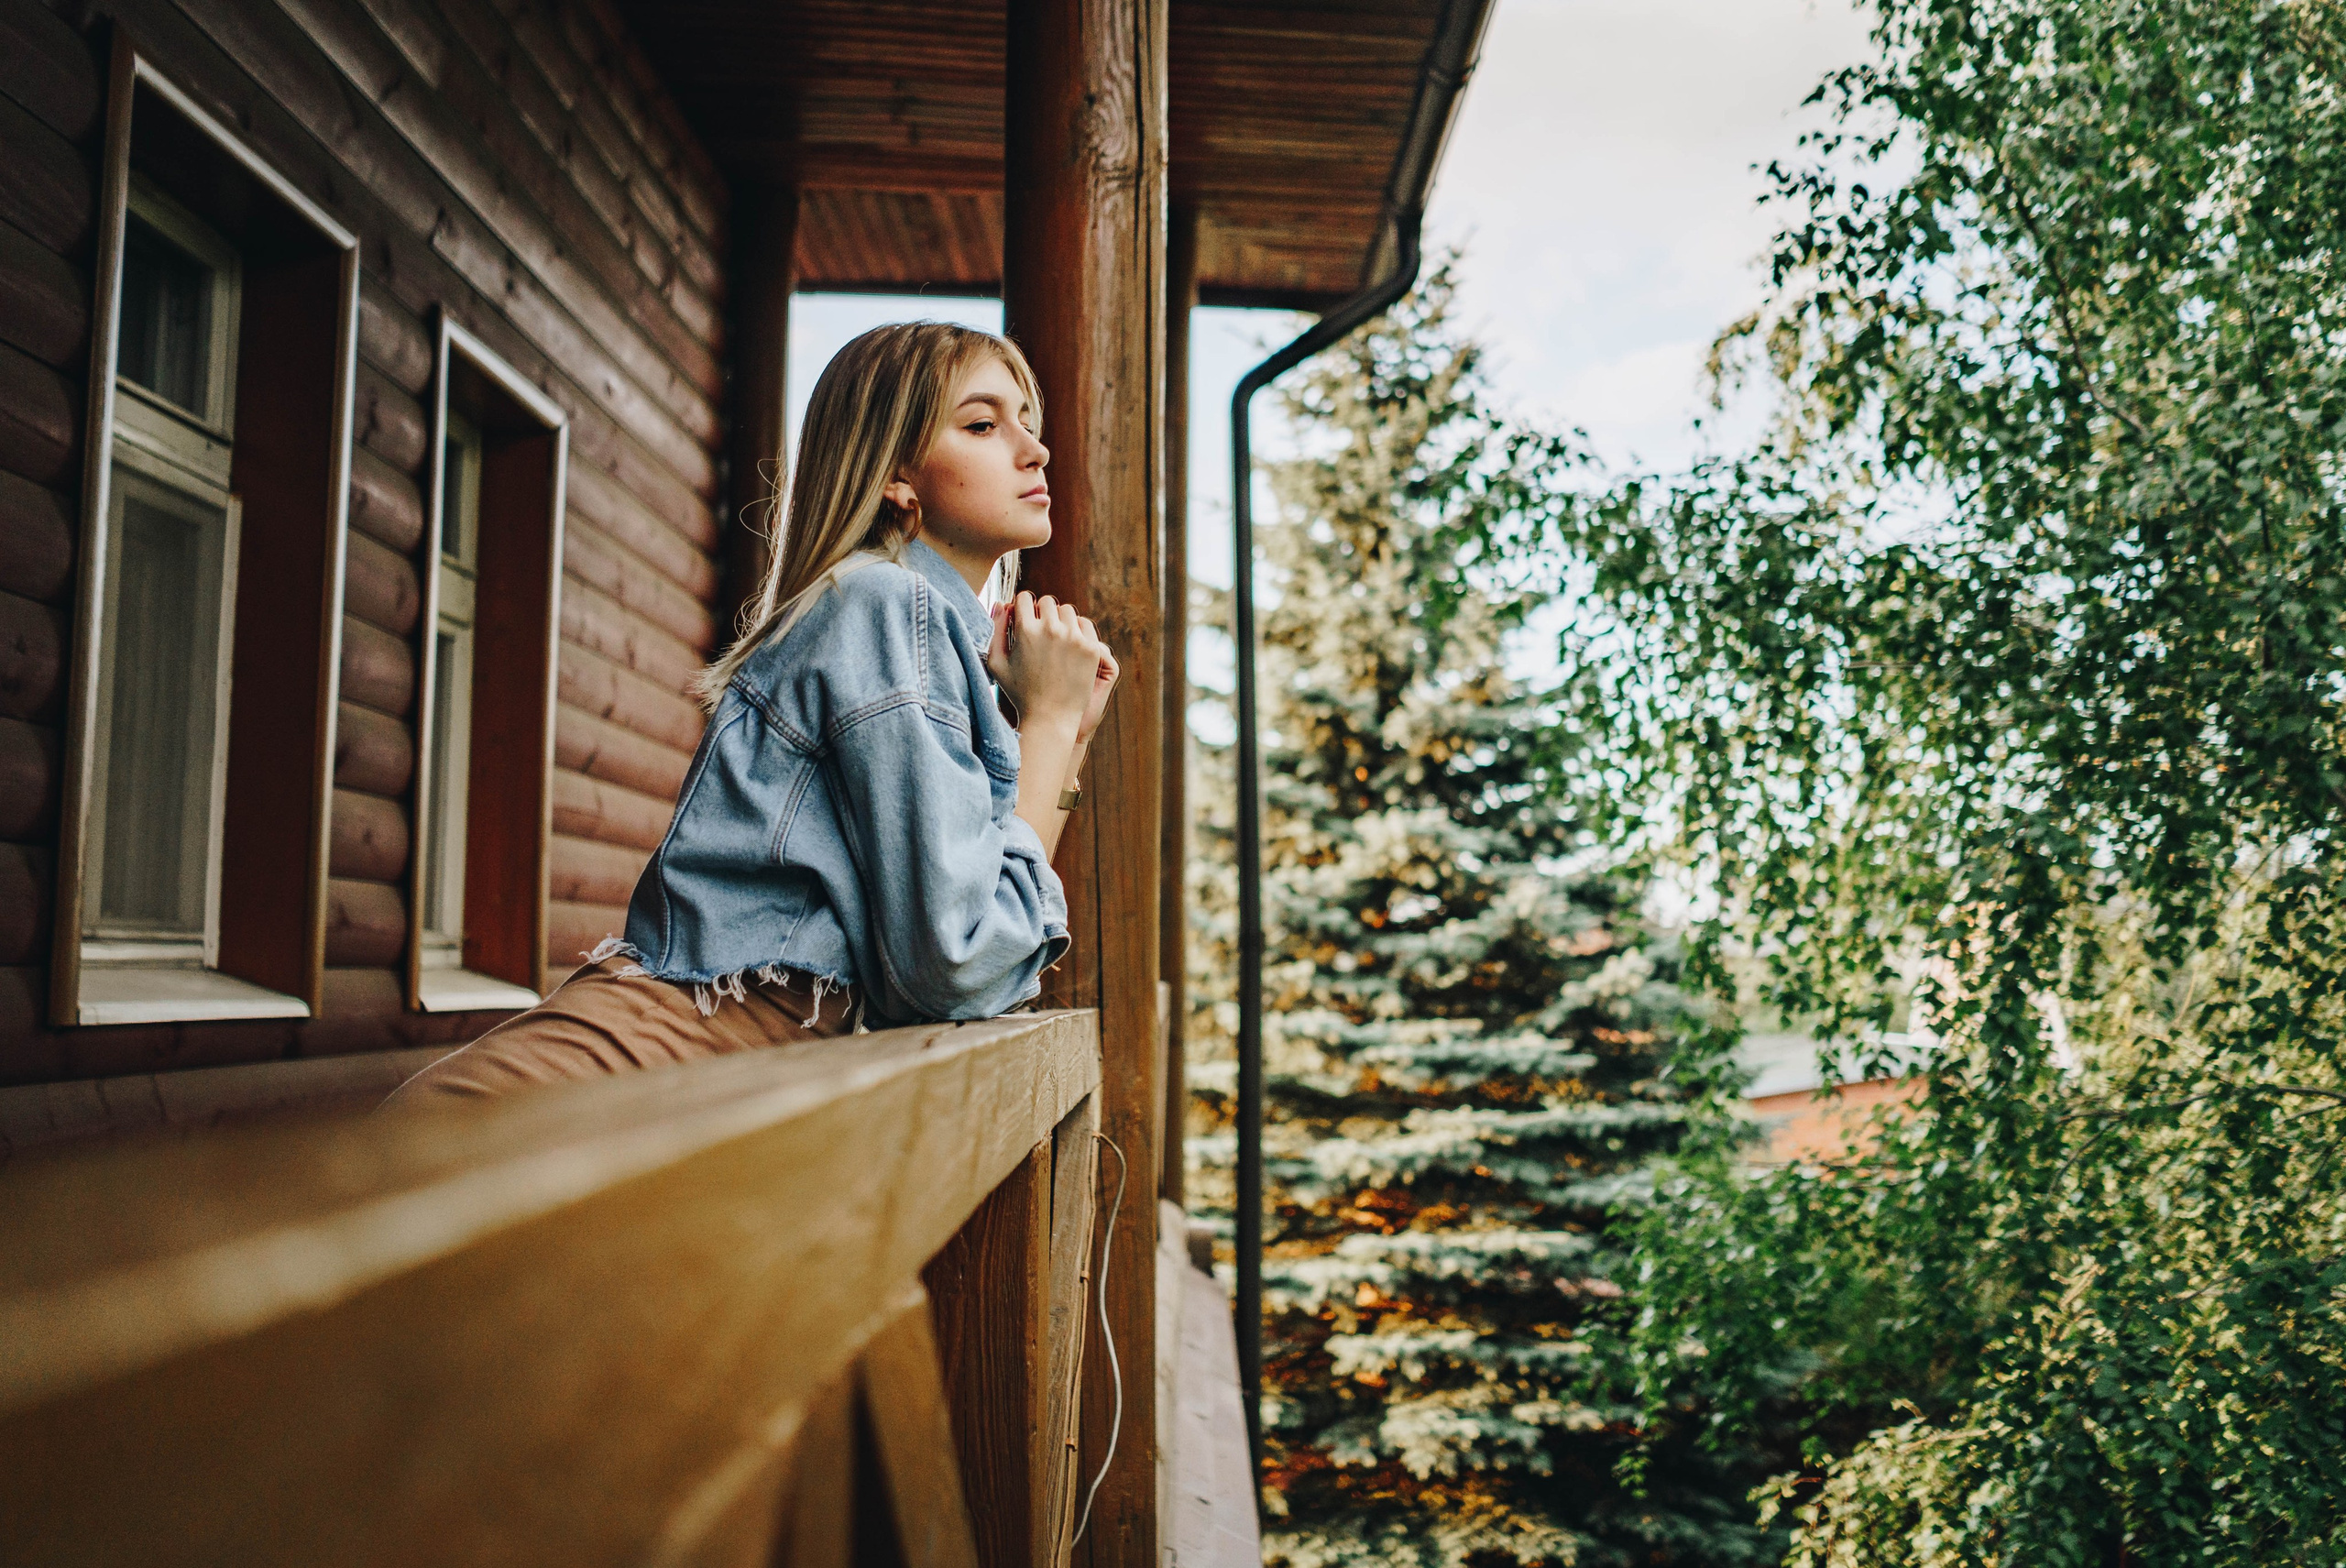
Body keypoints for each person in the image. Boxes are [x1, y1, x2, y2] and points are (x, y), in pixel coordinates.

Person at [388, 322, 1115, 1104]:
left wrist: (1062, 736)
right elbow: (957, 963)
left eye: (1028, 423)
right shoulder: (882, 602)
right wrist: (1045, 726)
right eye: (982, 424)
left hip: (713, 1054)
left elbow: (960, 953)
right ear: (896, 475)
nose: (1033, 449)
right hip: (674, 1040)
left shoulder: (921, 630)